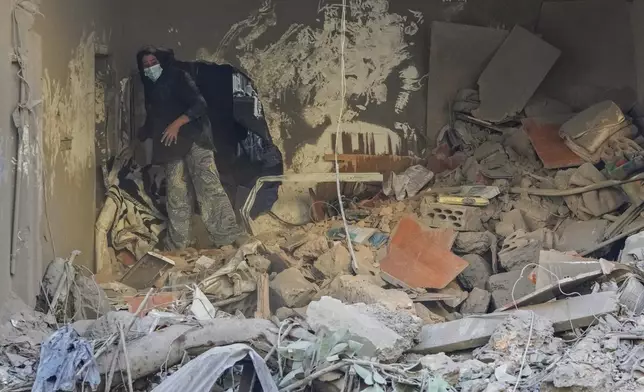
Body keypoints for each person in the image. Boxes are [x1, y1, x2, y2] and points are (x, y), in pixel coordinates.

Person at [135, 46, 248, 249]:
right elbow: (154, 117)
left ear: (161, 62)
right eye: (146, 65)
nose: (150, 68)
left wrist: (176, 124)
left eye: (153, 63)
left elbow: (199, 104)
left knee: (208, 188)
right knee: (176, 194)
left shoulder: (178, 77)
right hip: (171, 147)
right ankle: (179, 243)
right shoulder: (150, 88)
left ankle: (227, 237)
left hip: (195, 139)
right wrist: (142, 134)